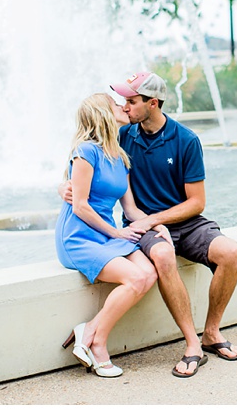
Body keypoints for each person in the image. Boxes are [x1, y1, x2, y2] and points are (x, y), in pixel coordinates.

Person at [60, 72, 237, 378]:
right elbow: (78, 166)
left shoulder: (186, 140)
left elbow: (197, 203)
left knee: (231, 252)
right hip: (141, 226)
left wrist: (155, 220)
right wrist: (62, 189)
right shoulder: (120, 136)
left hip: (182, 222)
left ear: (153, 103)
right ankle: (191, 345)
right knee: (161, 256)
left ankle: (211, 333)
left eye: (131, 101)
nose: (125, 106)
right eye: (123, 102)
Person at [57, 93, 165, 378]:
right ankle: (99, 343)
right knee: (137, 277)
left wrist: (157, 223)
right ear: (104, 114)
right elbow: (80, 206)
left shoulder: (120, 158)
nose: (123, 106)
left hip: (106, 235)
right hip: (79, 237)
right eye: (116, 105)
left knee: (149, 273)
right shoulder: (86, 151)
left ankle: (88, 329)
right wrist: (117, 232)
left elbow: (130, 209)